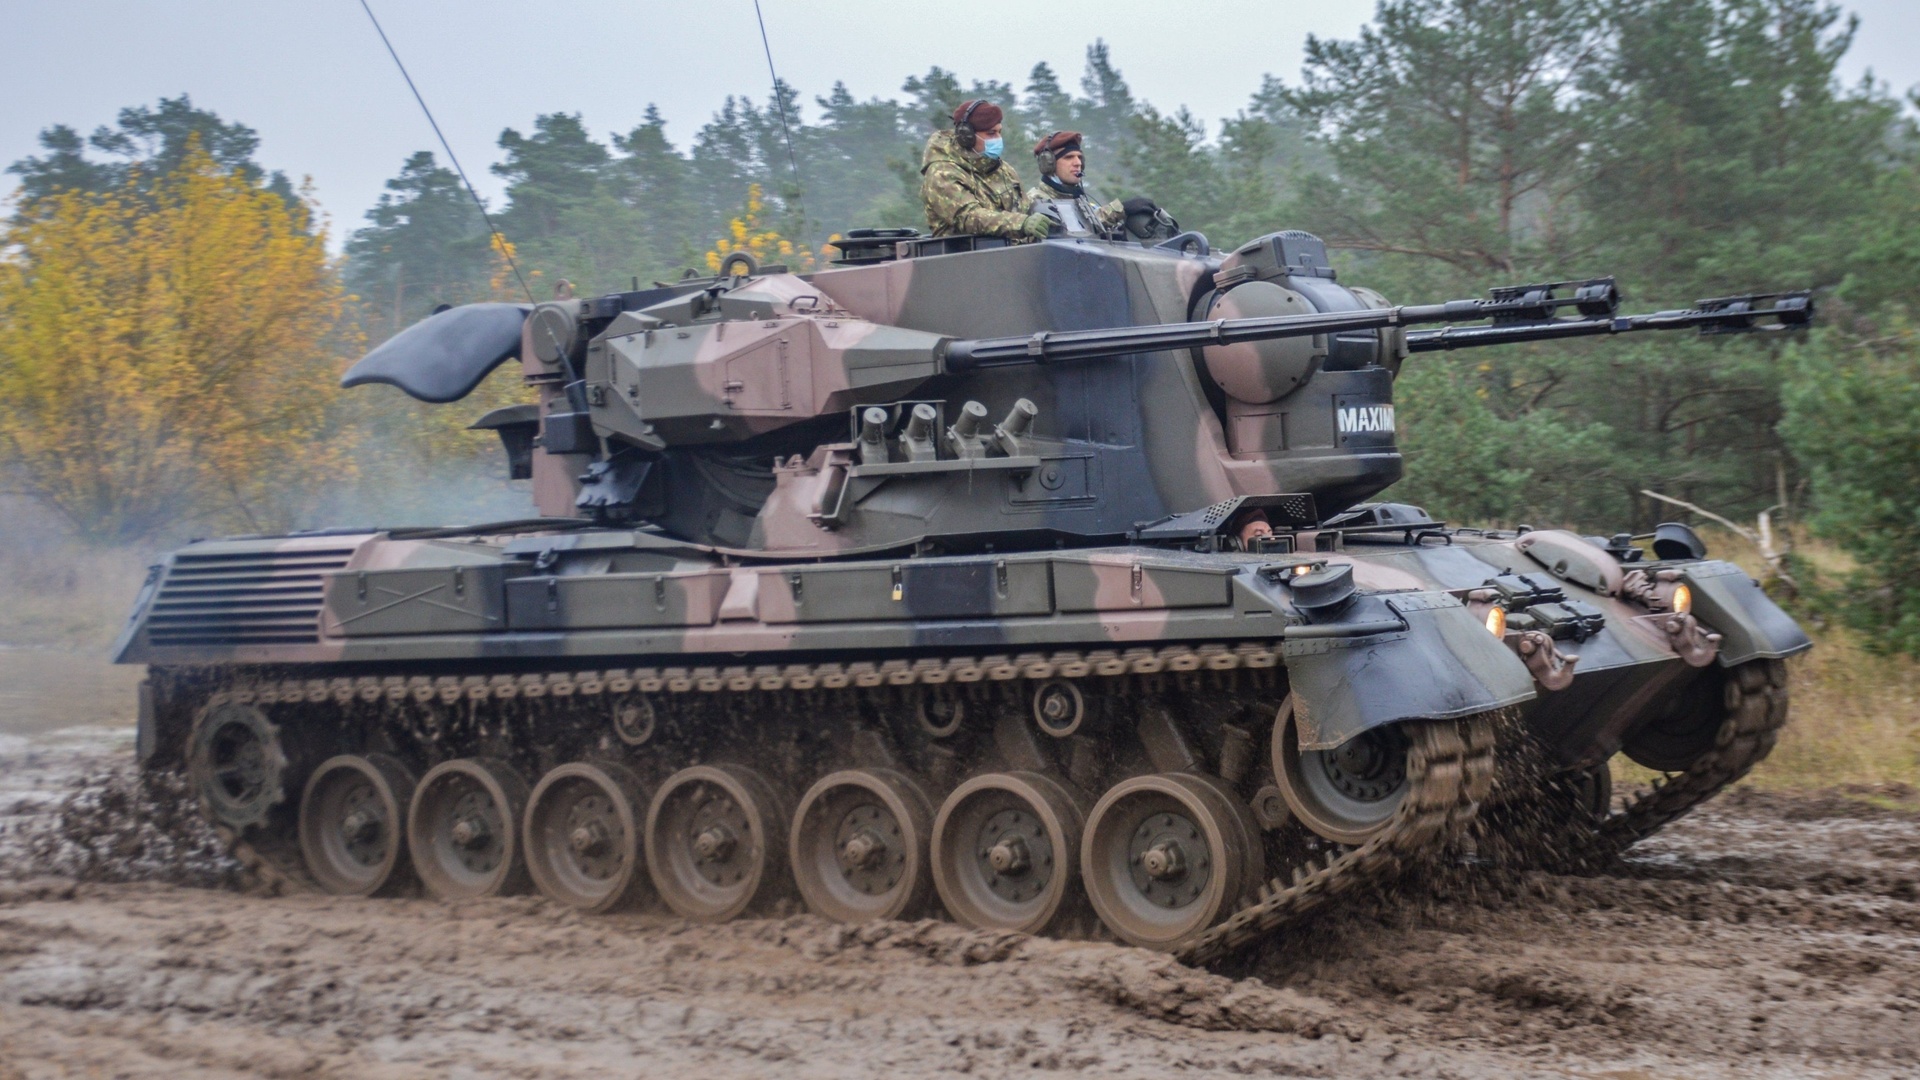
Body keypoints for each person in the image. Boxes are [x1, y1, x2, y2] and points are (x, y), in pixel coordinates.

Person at [919, 100, 1052, 243]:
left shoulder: (1003, 169)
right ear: (966, 137)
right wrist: (1021, 223)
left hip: (1012, 256)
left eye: (999, 132)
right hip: (963, 259)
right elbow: (968, 217)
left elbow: (1024, 208)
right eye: (991, 133)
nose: (998, 139)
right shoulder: (941, 173)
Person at [1024, 130, 1127, 237]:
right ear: (1049, 164)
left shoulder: (1078, 200)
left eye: (1079, 157)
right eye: (1069, 157)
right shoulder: (1034, 202)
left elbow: (1094, 223)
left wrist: (1122, 208)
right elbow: (1073, 234)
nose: (1078, 163)